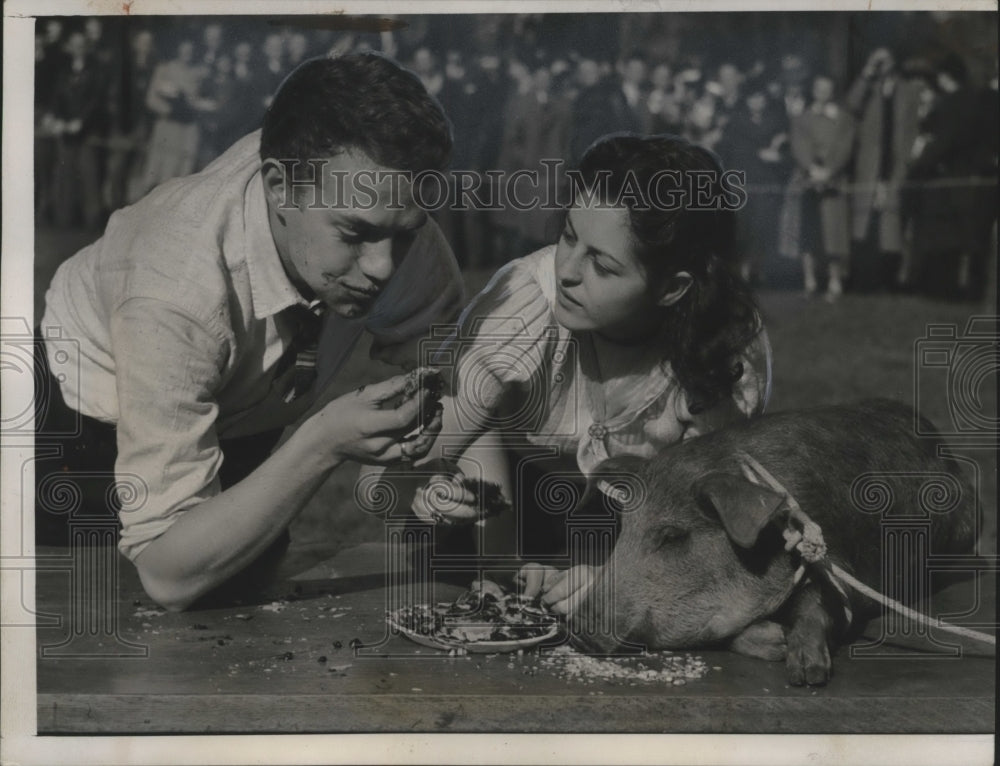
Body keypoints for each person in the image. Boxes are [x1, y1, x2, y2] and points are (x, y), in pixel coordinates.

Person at [36, 54, 465, 612]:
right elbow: (168, 575)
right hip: (83, 428)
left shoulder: (386, 217)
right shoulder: (176, 285)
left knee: (252, 574)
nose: (384, 267)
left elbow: (454, 382)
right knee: (84, 612)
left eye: (404, 234)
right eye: (354, 234)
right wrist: (322, 442)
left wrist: (451, 479)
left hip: (238, 401)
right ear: (280, 187)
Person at [383, 134, 771, 614]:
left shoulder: (722, 360)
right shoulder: (524, 309)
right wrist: (463, 520)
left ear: (673, 288)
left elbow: (715, 532)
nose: (566, 270)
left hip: (640, 529)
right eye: (568, 236)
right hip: (504, 507)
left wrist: (617, 582)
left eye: (602, 265)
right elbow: (398, 465)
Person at [845, 48, 923, 292]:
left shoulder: (908, 90)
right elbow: (850, 105)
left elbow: (914, 125)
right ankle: (862, 281)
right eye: (877, 60)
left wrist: (908, 158)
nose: (882, 64)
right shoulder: (867, 87)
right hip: (870, 165)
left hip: (896, 165)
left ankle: (889, 281)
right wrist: (866, 73)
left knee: (892, 226)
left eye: (885, 59)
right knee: (864, 224)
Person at [784, 74, 856, 301]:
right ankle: (810, 280)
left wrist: (830, 170)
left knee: (834, 232)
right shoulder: (802, 118)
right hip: (808, 180)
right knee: (808, 232)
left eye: (827, 88)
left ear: (832, 91)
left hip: (833, 180)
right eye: (818, 88)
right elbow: (798, 145)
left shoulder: (844, 119)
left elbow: (846, 146)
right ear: (813, 90)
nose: (822, 92)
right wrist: (812, 169)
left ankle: (834, 281)